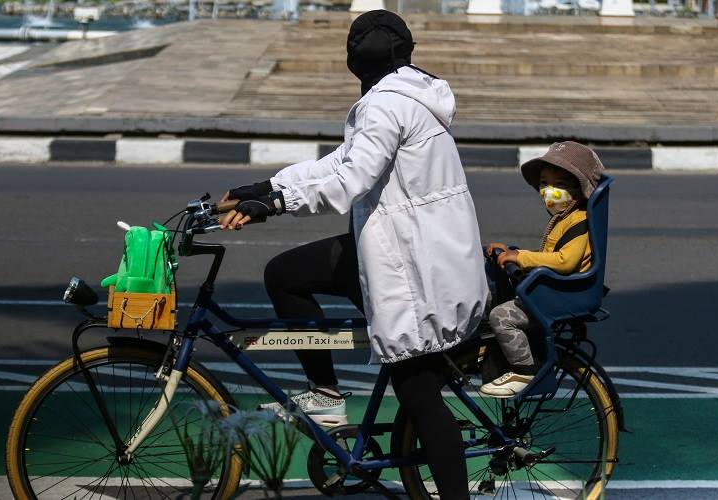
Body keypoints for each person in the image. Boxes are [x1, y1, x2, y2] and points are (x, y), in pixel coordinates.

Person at [219, 10, 487, 498]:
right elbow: (342, 161)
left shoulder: (385, 104)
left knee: (418, 394)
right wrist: (266, 185)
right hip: (404, 249)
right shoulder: (411, 94)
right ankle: (323, 394)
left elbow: (349, 182)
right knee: (286, 275)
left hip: (413, 266)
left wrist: (273, 204)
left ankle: (329, 397)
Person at [481, 141, 604, 398]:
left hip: (558, 295)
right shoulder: (563, 217)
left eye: (559, 184)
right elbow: (548, 256)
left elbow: (564, 261)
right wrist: (510, 252)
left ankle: (524, 370)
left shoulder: (579, 221)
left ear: (579, 190)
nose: (549, 191)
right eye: (545, 183)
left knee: (501, 317)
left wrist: (521, 257)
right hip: (550, 289)